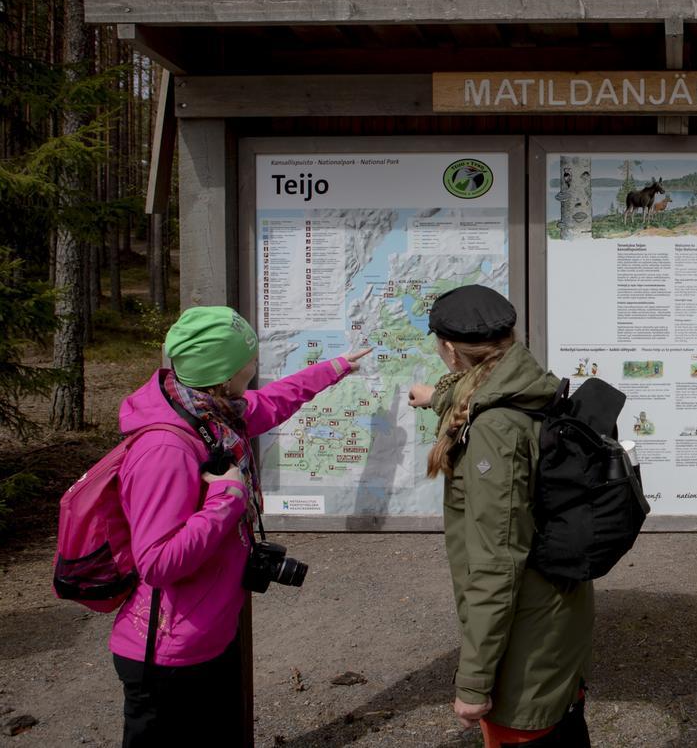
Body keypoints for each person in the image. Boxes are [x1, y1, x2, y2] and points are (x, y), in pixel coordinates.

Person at [111, 306, 368, 747]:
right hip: (168, 654)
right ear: (227, 372)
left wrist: (334, 368)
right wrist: (227, 499)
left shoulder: (213, 415)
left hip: (206, 632)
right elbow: (156, 562)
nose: (256, 366)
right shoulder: (165, 448)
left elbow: (272, 401)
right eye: (250, 358)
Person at [408, 285, 592, 747]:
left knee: (531, 729)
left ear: (450, 350)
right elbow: (484, 401)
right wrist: (435, 398)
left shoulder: (494, 431)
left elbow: (497, 562)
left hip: (526, 634)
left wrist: (473, 684)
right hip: (555, 613)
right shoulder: (529, 386)